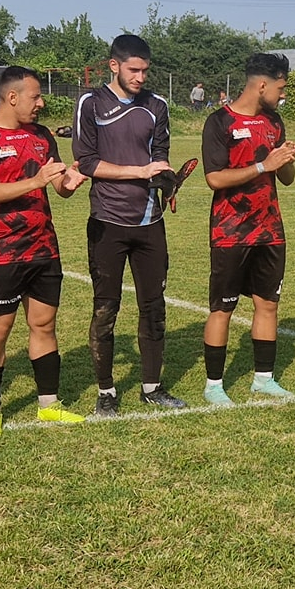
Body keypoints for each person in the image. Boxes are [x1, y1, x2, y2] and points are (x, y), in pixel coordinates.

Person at [0, 64, 88, 438]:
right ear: (12, 97)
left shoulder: (42, 136)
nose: (41, 103)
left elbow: (59, 186)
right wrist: (34, 181)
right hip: (2, 252)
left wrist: (70, 182)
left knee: (44, 325)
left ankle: (49, 405)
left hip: (43, 249)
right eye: (35, 96)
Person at [73, 34, 180, 415]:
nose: (140, 77)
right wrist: (139, 171)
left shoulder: (157, 105)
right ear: (114, 66)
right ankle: (106, 393)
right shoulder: (91, 102)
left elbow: (160, 154)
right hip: (108, 221)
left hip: (150, 221)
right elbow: (86, 162)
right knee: (106, 308)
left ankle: (152, 387)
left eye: (145, 70)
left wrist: (166, 181)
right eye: (133, 69)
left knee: (154, 306)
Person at [202, 52, 295, 403]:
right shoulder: (219, 122)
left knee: (268, 304)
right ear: (262, 85)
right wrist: (263, 165)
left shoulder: (274, 121)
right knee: (223, 308)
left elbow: (285, 178)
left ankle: (264, 379)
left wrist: (284, 158)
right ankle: (214, 385)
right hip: (230, 232)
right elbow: (214, 178)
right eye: (280, 87)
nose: (282, 94)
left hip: (270, 231)